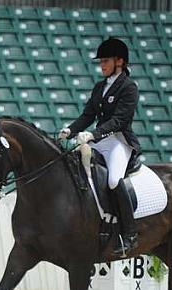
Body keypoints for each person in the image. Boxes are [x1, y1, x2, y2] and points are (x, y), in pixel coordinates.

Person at [58, 37, 141, 257]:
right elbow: (88, 115)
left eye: (106, 61)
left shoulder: (129, 87)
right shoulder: (100, 87)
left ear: (120, 61)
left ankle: (130, 234)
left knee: (113, 180)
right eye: (101, 61)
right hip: (98, 141)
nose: (102, 65)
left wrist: (92, 134)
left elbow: (120, 120)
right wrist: (71, 130)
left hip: (119, 142)